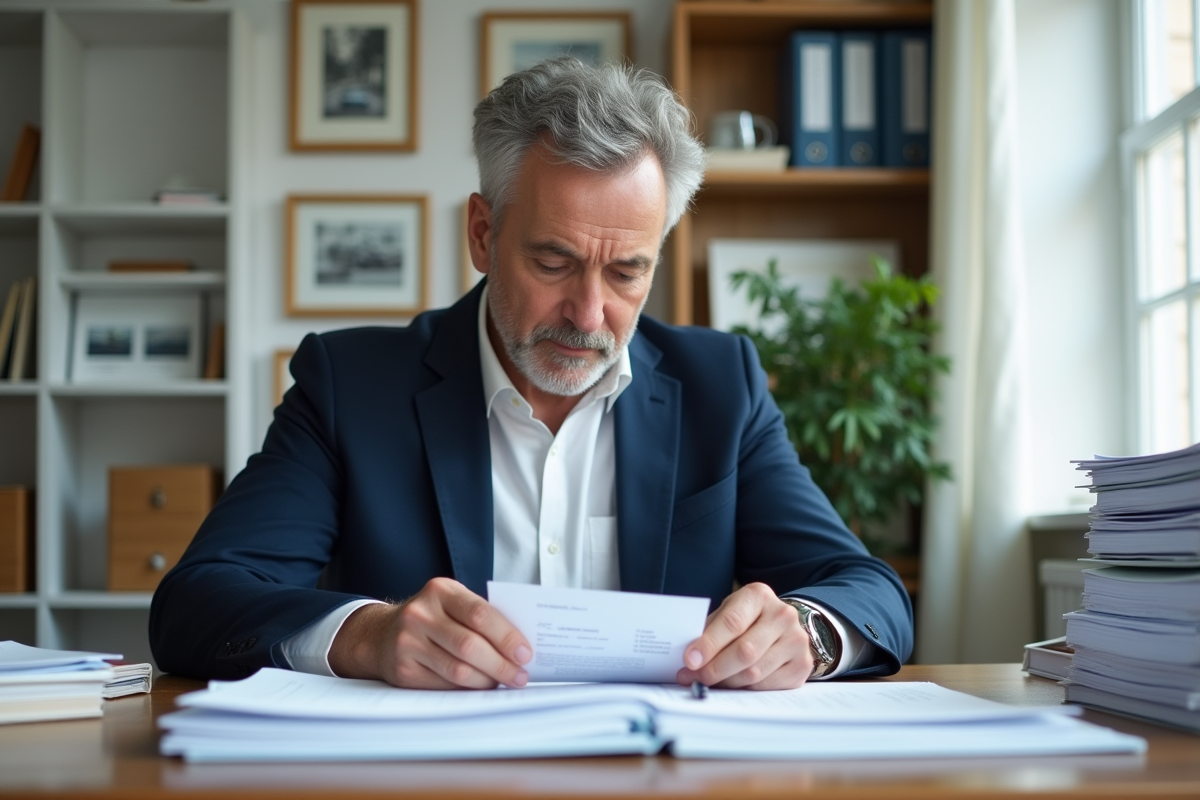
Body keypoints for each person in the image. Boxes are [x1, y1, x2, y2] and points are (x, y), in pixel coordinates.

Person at [150, 58, 912, 690]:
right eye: (554, 262)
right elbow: (196, 604)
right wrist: (365, 635)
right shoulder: (352, 385)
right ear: (484, 234)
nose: (588, 314)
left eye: (626, 272)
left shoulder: (722, 387)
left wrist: (807, 634)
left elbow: (871, 591)